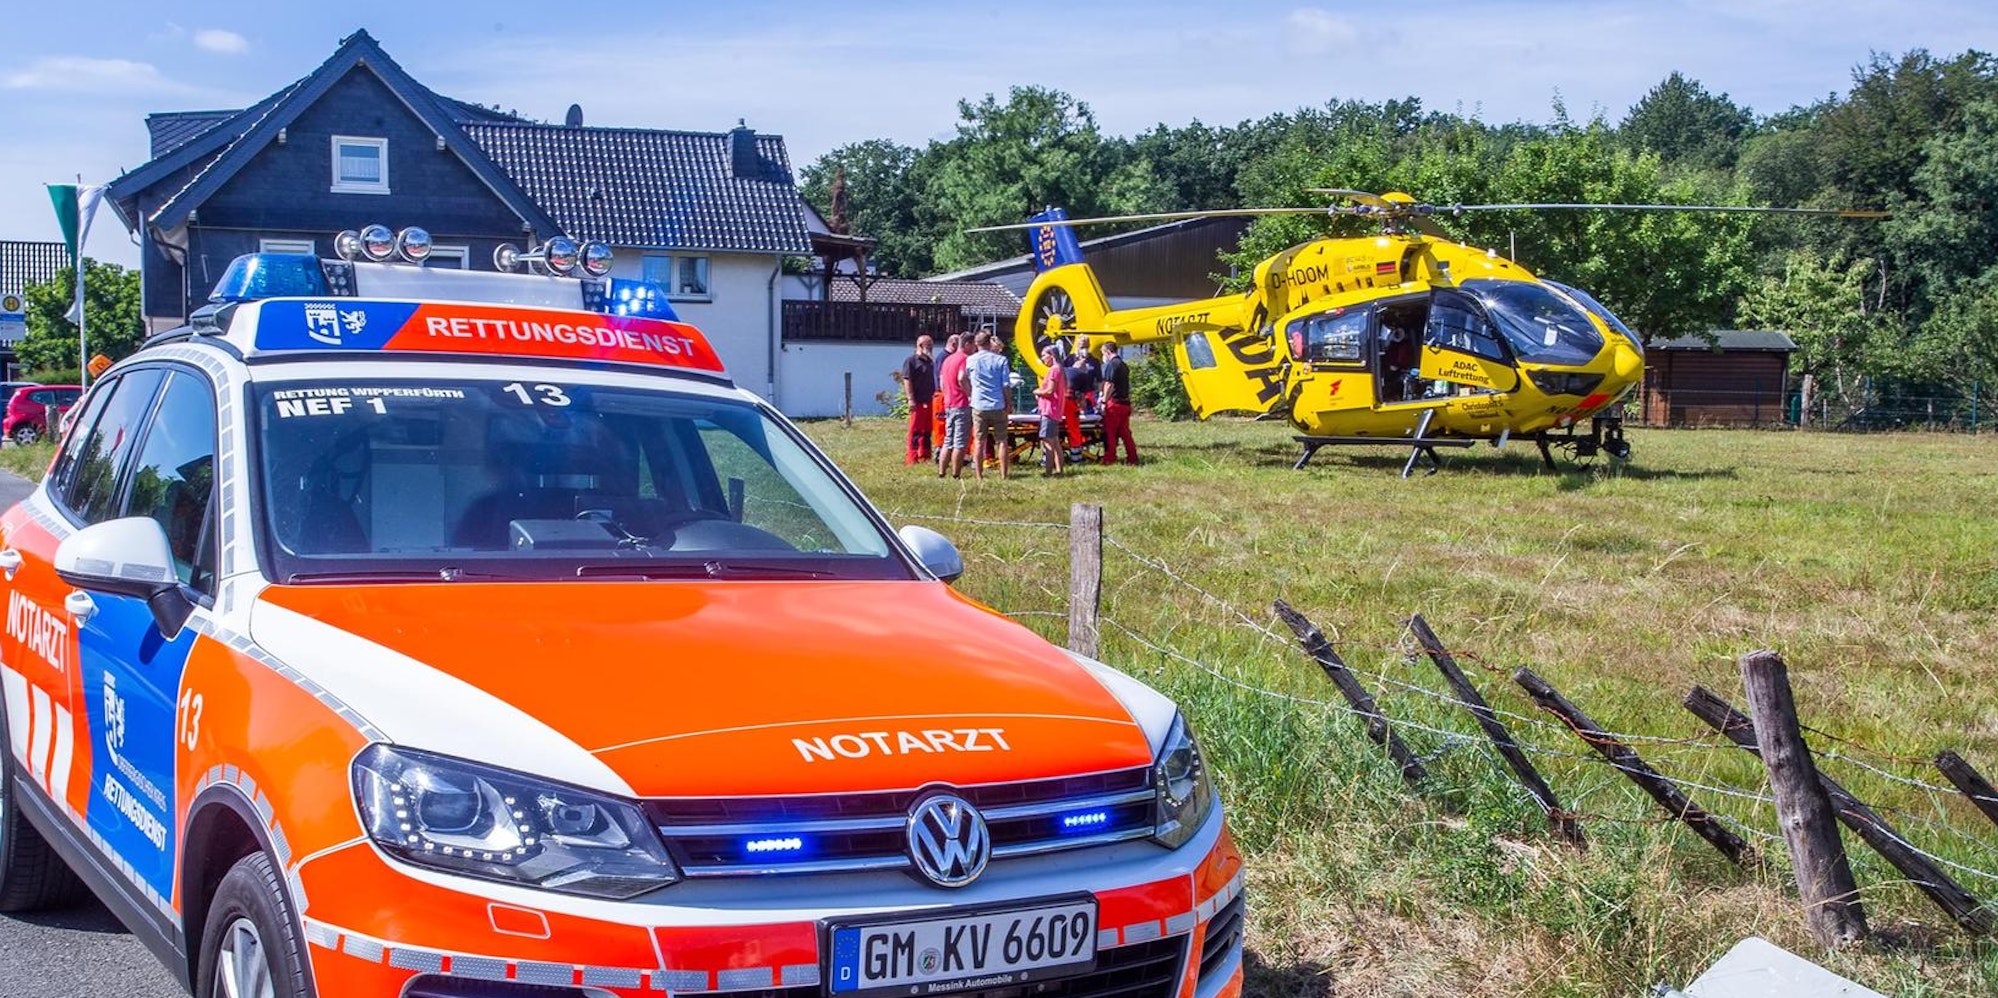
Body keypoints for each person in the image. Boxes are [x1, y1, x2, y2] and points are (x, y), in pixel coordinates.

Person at [966, 333, 1013, 480]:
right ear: (989, 342)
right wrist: (1008, 402)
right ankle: (1004, 474)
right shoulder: (1001, 360)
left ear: (976, 343)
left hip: (979, 404)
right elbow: (1005, 384)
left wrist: (971, 393)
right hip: (997, 404)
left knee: (979, 441)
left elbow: (965, 377)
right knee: (1002, 440)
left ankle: (979, 475)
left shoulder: (971, 360)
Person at [936, 333, 972, 478]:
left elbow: (942, 382)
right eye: (973, 345)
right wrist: (970, 394)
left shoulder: (947, 359)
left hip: (949, 403)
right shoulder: (964, 358)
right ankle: (956, 474)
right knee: (960, 442)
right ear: (968, 344)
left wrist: (947, 396)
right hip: (961, 403)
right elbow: (962, 377)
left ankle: (941, 472)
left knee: (948, 440)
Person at [1099, 341, 1137, 466]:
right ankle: (1132, 458)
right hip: (1125, 403)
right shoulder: (1123, 365)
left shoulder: (1112, 365)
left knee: (1110, 432)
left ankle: (1110, 458)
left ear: (1108, 352)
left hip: (1114, 404)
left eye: (1103, 353)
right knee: (1126, 433)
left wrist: (1104, 400)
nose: (1103, 356)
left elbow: (1109, 384)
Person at [900, 334, 936, 465]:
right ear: (921, 346)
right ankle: (912, 456)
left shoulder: (931, 362)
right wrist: (911, 399)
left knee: (927, 429)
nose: (931, 348)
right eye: (929, 345)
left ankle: (925, 454)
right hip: (917, 401)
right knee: (915, 430)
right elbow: (907, 380)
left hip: (930, 400)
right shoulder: (911, 361)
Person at [1034, 345, 1069, 477]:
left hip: (1049, 410)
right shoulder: (1060, 369)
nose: (1042, 358)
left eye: (1044, 355)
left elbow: (1050, 391)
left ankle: (1048, 472)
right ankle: (1059, 470)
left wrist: (1038, 391)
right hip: (1056, 410)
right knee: (1055, 442)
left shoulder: (1054, 370)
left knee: (1047, 442)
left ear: (1052, 356)